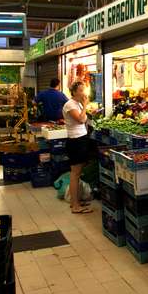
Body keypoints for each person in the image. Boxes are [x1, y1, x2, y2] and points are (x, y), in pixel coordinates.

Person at [63, 81, 92, 214]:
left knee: (77, 173)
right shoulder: (70, 105)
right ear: (74, 92)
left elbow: (84, 118)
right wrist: (85, 105)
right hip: (76, 141)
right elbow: (81, 119)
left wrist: (83, 106)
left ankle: (76, 201)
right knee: (75, 174)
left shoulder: (77, 104)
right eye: (80, 90)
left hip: (80, 139)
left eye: (83, 90)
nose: (83, 93)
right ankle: (75, 206)